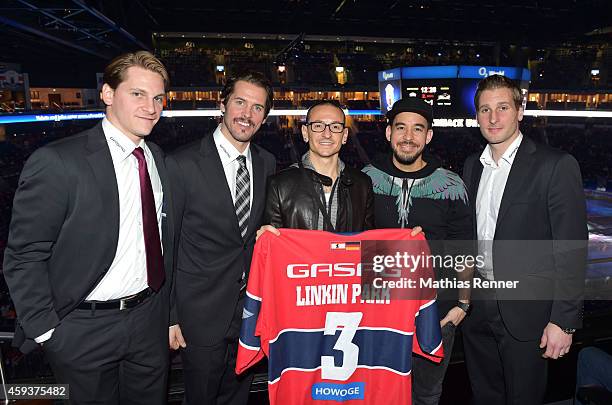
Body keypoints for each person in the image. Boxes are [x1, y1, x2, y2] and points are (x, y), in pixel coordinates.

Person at [3, 51, 173, 404]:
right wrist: (48, 331)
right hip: (82, 329)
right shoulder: (58, 161)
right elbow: (24, 255)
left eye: (158, 98)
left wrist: (166, 316)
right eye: (137, 94)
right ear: (108, 95)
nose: (151, 107)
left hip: (148, 321)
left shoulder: (156, 157)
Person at [461, 74, 588, 405]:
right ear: (476, 115)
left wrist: (564, 321)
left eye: (502, 107)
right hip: (478, 306)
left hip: (527, 312)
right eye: (485, 109)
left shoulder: (555, 165)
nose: (493, 118)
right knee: (484, 396)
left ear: (520, 110)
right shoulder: (471, 166)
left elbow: (571, 248)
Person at [167, 71, 276, 405]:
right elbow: (166, 243)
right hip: (198, 314)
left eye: (257, 107)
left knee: (237, 396)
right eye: (240, 102)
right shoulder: (181, 163)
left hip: (248, 313)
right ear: (222, 103)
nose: (247, 113)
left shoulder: (267, 163)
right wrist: (170, 316)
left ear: (265, 116)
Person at [362, 97, 473, 405]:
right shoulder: (365, 179)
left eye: (417, 129)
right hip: (379, 313)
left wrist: (462, 304)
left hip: (435, 314)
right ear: (388, 133)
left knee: (426, 394)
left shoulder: (451, 184)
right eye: (401, 128)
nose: (408, 137)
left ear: (429, 136)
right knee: (379, 392)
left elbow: (464, 247)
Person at [262, 100, 374, 233]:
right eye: (318, 126)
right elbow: (275, 247)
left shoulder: (362, 184)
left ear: (344, 136)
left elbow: (367, 244)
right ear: (305, 133)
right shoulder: (279, 185)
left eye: (335, 127)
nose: (327, 134)